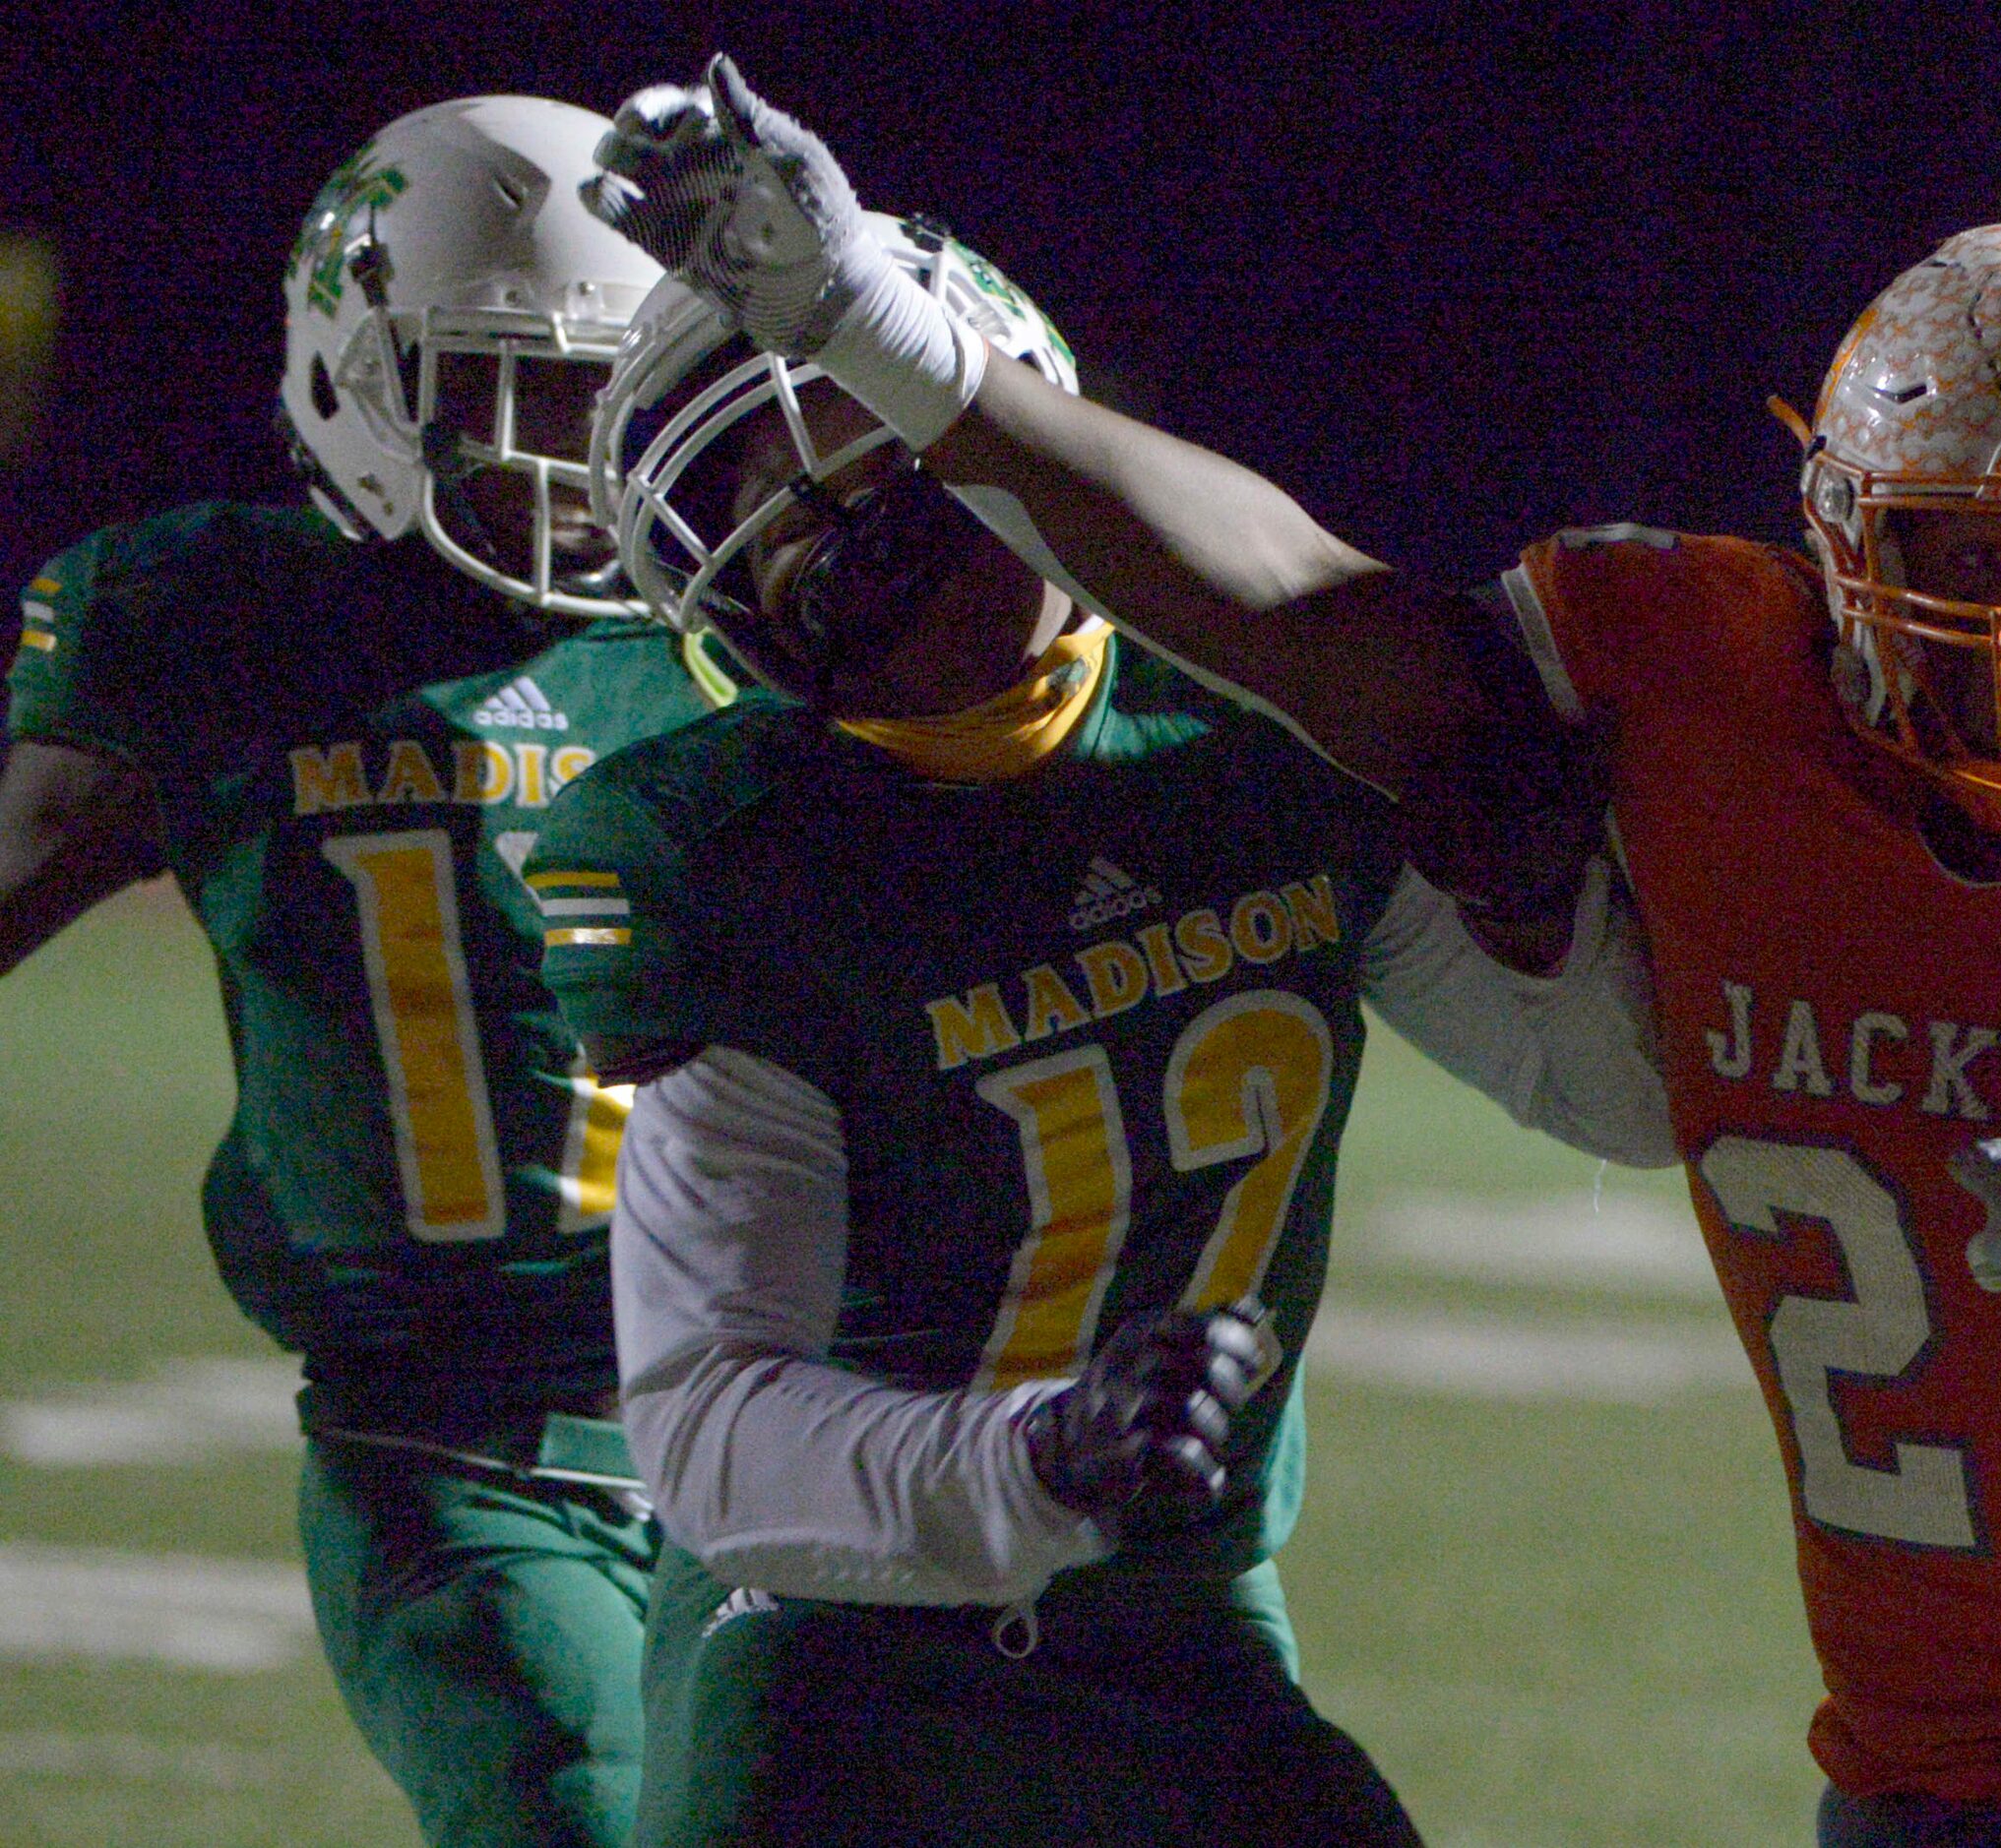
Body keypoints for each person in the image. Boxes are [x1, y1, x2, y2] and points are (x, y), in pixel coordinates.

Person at [582, 63, 2001, 1847]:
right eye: (1988, 559)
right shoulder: (1696, 695)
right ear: (1835, 549)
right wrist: (875, 323)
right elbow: (1297, 607)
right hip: (1913, 1771)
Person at [524, 208, 1668, 1847]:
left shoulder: (1267, 732)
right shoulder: (726, 852)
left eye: (868, 439)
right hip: (835, 1641)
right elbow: (710, 1429)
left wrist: (1545, 922)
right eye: (769, 501)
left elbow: (1618, 1105)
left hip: (1168, 1619)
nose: (844, 519)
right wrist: (1042, 1452)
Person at [0, 97, 718, 1848]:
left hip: (788, 1431)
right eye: (523, 390)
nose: (582, 458)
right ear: (362, 372)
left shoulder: (750, 623)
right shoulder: (219, 625)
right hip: (462, 1444)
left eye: (614, 400)